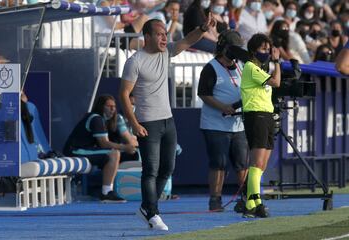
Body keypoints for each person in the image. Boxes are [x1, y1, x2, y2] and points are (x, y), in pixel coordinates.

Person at [119, 15, 216, 231]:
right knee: (150, 170)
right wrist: (134, 123)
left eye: (165, 34)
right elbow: (124, 94)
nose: (165, 38)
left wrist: (202, 28)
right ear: (147, 37)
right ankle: (152, 212)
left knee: (167, 168)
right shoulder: (135, 61)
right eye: (160, 34)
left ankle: (147, 207)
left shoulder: (166, 51)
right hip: (147, 122)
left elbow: (188, 40)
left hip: (168, 121)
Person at [197, 29, 248, 212]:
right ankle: (215, 200)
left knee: (242, 163)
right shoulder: (211, 67)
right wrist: (222, 107)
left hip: (238, 124)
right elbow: (203, 94)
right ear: (223, 48)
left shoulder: (241, 66)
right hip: (215, 124)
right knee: (218, 163)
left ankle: (246, 199)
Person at [63, 95, 136, 203]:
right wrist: (125, 147)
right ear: (101, 107)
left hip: (85, 149)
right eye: (109, 106)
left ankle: (107, 190)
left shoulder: (103, 119)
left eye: (114, 107)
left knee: (115, 153)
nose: (112, 109)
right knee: (114, 154)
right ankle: (106, 192)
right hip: (75, 150)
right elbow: (104, 143)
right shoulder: (96, 118)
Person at [240, 33, 280, 218]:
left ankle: (252, 202)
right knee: (256, 163)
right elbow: (276, 82)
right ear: (253, 50)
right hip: (256, 117)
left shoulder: (260, 69)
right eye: (263, 49)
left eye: (267, 49)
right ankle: (254, 203)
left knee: (261, 164)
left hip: (267, 116)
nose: (266, 52)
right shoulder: (250, 67)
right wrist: (277, 62)